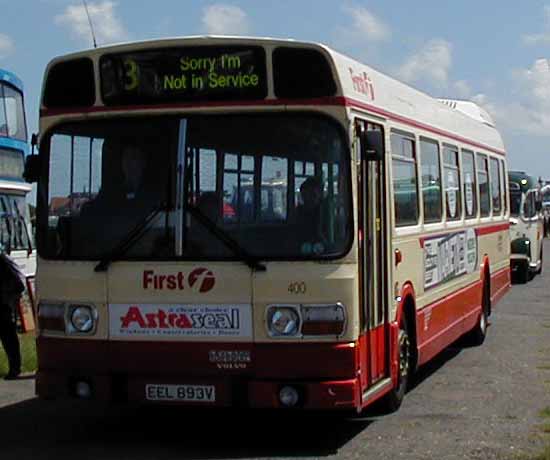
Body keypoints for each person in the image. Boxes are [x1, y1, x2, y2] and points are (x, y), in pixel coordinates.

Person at [0, 252, 25, 380]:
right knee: (8, 338)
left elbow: (18, 286)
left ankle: (15, 367)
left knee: (8, 338)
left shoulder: (2, 262)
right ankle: (14, 367)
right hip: (5, 304)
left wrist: (8, 300)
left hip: (3, 306)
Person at [295, 176, 326, 250]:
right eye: (305, 195)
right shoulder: (298, 212)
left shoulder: (325, 212)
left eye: (313, 195)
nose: (309, 198)